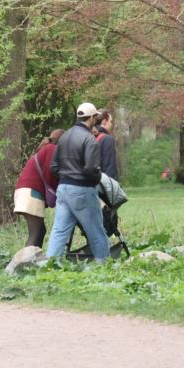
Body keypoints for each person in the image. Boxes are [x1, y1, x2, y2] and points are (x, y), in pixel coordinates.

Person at [46, 102, 110, 261]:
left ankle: (50, 265)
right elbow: (90, 169)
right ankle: (106, 266)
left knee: (59, 231)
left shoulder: (64, 136)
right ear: (93, 117)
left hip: (63, 189)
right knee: (96, 231)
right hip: (82, 190)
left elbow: (53, 167)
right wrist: (98, 177)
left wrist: (67, 176)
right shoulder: (89, 139)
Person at [13, 129, 64, 248]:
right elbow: (50, 173)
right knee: (35, 235)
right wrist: (60, 190)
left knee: (40, 231)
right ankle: (25, 263)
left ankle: (33, 260)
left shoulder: (45, 148)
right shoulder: (51, 149)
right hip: (32, 194)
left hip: (25, 193)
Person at [94, 110, 120, 180]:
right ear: (104, 121)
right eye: (110, 121)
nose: (111, 124)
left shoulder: (87, 136)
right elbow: (110, 167)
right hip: (102, 183)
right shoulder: (107, 139)